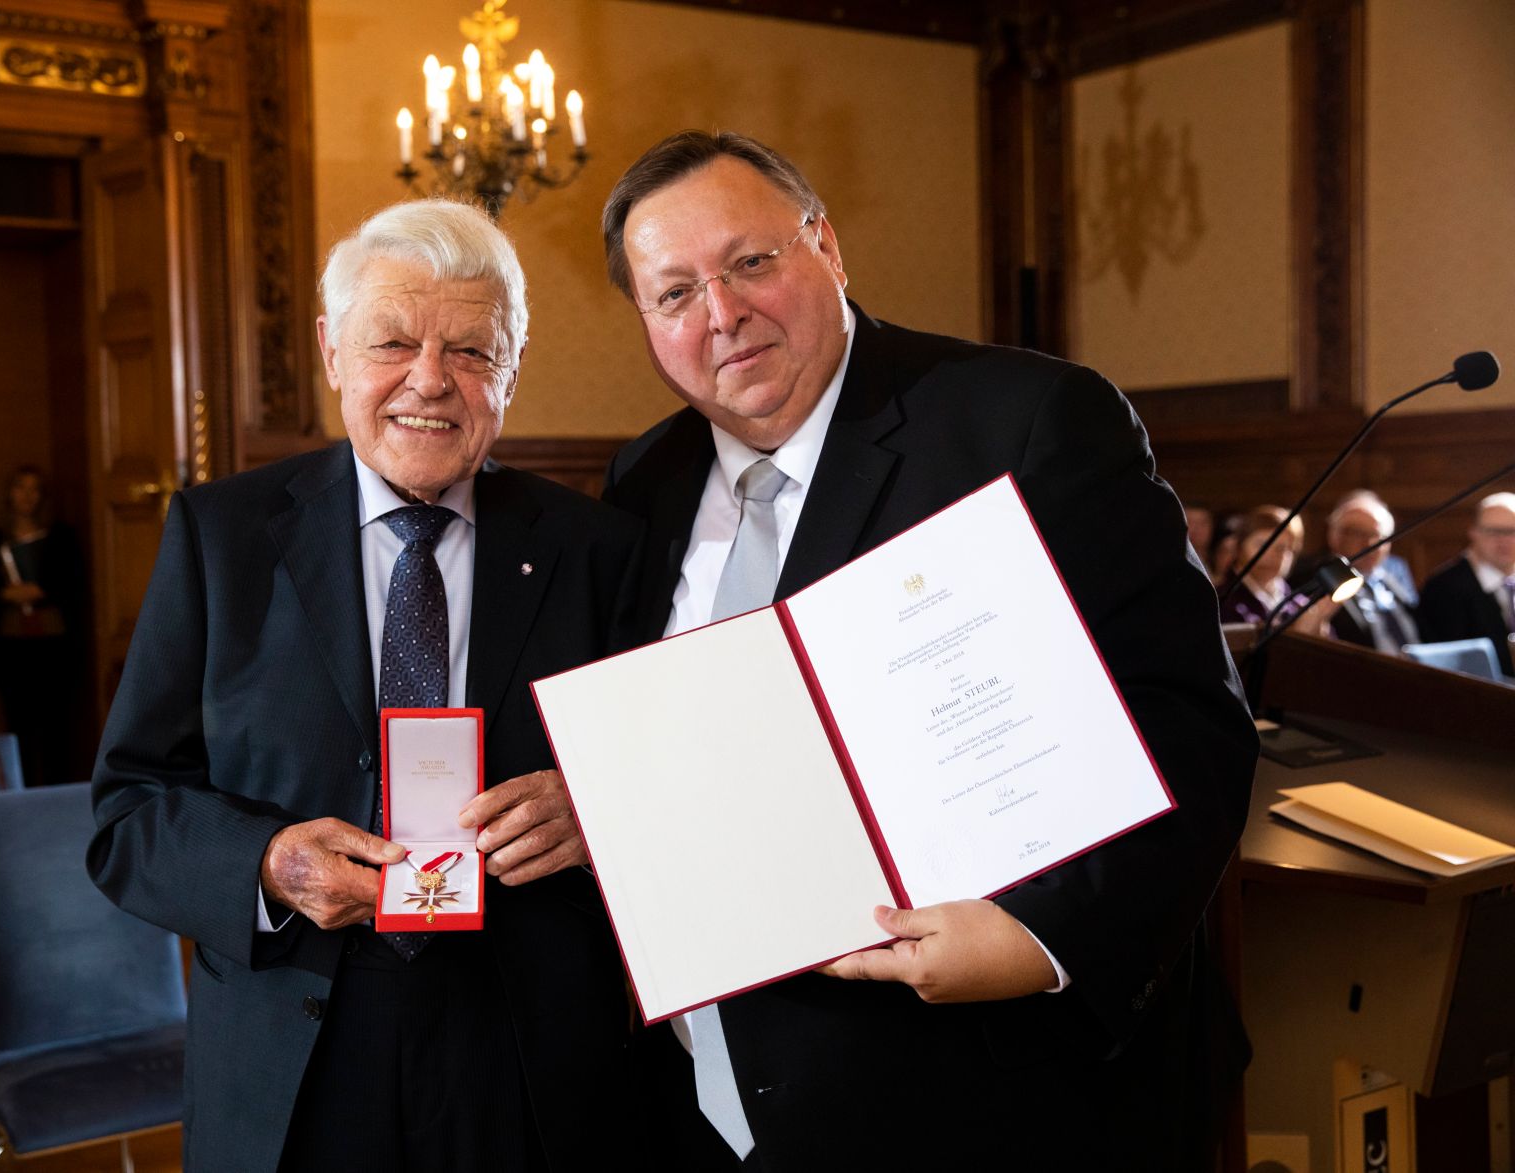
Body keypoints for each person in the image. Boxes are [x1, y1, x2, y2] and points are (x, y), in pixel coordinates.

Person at [598, 131, 1257, 1171]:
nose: (719, 314)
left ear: (826, 244)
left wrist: (1042, 944)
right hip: (727, 1102)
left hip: (1010, 1093)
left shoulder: (1022, 424)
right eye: (673, 292)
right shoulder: (643, 482)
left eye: (750, 263)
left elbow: (1186, 720)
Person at [87, 199, 642, 1173]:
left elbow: (677, 778)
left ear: (512, 364)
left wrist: (599, 807)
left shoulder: (597, 550)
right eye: (391, 341)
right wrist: (268, 865)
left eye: (471, 351)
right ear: (330, 351)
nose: (429, 381)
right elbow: (127, 812)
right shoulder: (222, 538)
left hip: (528, 1057)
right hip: (294, 1048)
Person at [0, 465, 83, 786]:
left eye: (34, 489)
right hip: (11, 647)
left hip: (53, 646)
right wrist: (7, 594)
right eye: (20, 487)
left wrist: (41, 591)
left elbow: (72, 584)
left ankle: (56, 791)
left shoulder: (60, 535)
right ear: (10, 493)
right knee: (17, 725)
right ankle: (20, 790)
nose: (27, 495)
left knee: (55, 726)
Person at [1418, 491, 1515, 676]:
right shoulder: (1444, 588)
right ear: (1474, 533)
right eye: (1494, 532)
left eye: (1512, 531)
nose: (1504, 540)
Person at [1318, 491, 1421, 654]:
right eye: (1359, 534)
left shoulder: (1392, 574)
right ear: (1334, 536)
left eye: (1378, 536)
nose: (1370, 544)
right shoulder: (1320, 578)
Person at [1220, 504, 1305, 627]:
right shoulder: (1221, 601)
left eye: (1281, 548)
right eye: (1262, 545)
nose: (1271, 555)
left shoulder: (1297, 603)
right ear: (1239, 547)